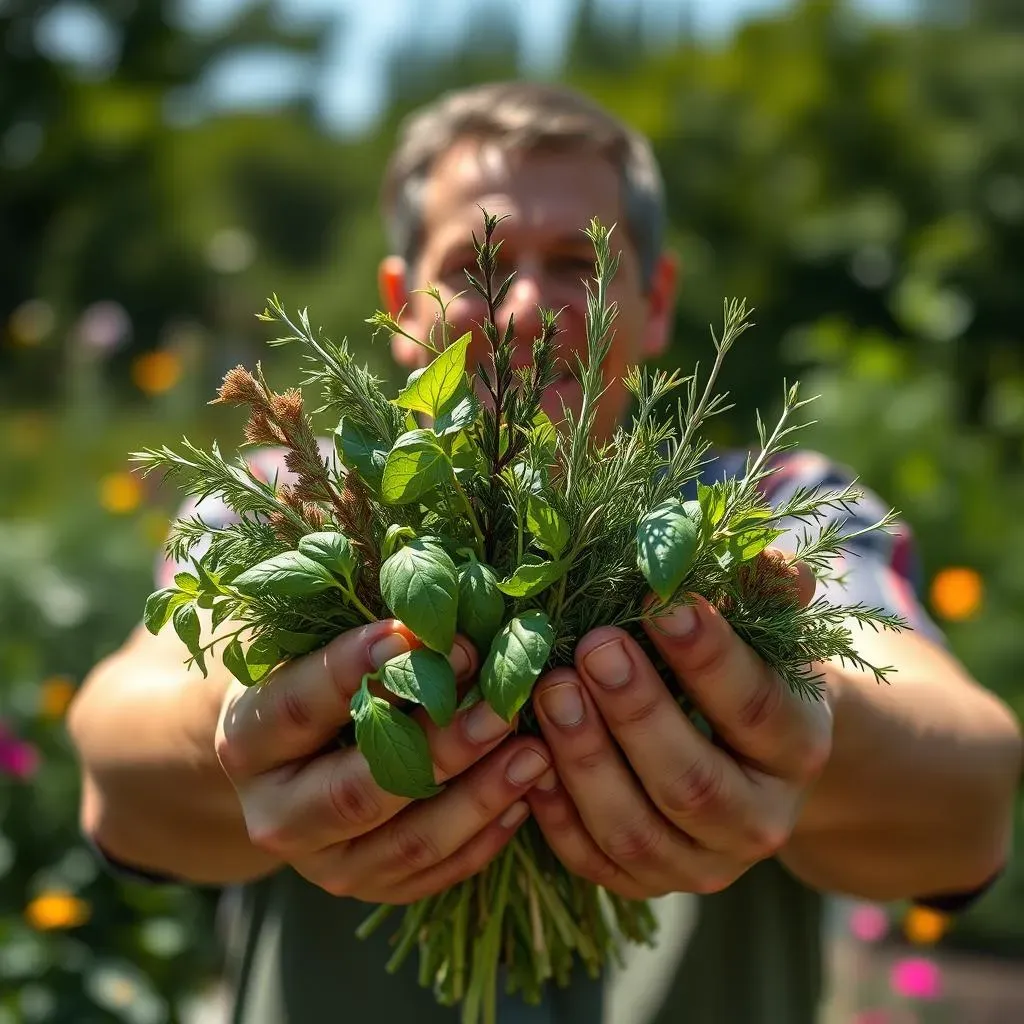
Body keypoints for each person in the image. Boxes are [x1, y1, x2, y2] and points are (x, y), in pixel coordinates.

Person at [67, 81, 1022, 1024]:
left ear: (653, 301)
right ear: (402, 307)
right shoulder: (299, 501)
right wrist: (255, 716)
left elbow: (971, 787)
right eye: (475, 262)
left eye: (577, 262)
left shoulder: (773, 507)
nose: (523, 307)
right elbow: (118, 754)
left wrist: (790, 704)